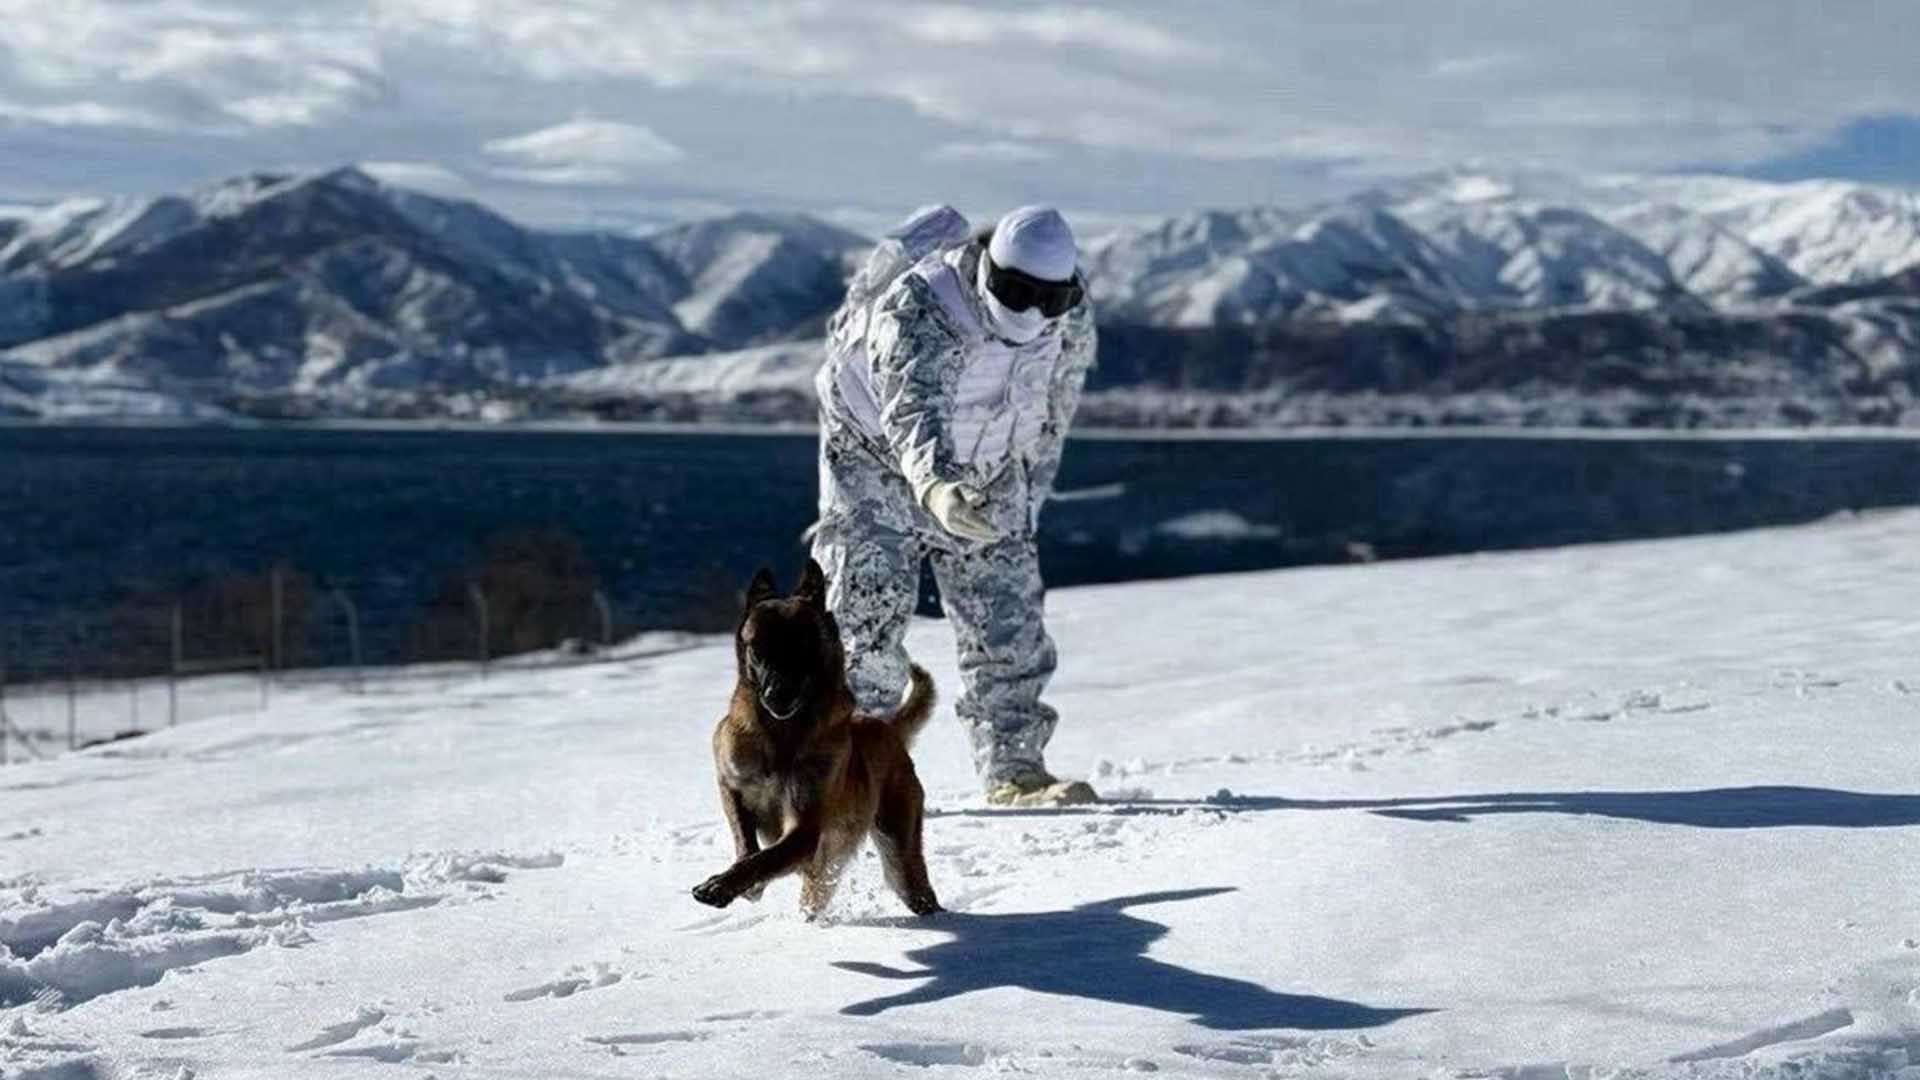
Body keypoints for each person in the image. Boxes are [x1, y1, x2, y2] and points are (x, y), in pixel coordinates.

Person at [811, 205, 1097, 806]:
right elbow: (912, 408)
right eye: (1015, 292)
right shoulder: (924, 306)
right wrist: (937, 487)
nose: (1030, 312)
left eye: (1049, 300)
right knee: (867, 616)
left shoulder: (1070, 318)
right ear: (987, 271)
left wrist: (1029, 488)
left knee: (1007, 618)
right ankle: (850, 773)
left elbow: (1054, 403)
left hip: (992, 461)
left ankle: (1016, 770)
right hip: (876, 454)